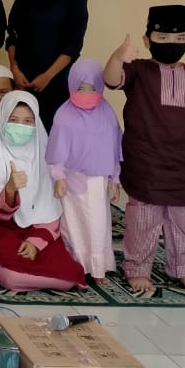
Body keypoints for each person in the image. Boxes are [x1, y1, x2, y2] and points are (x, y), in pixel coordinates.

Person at [106, 5, 185, 295]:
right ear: (147, 40)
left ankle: (183, 270)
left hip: (184, 165)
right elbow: (111, 80)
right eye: (163, 38)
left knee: (183, 222)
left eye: (180, 38)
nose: (172, 43)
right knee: (143, 220)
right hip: (146, 163)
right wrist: (117, 57)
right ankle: (138, 270)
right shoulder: (138, 71)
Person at [0, 91, 86, 291]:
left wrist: (35, 241)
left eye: (28, 121)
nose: (21, 126)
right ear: (2, 120)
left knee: (68, 275)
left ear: (37, 123)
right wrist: (10, 189)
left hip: (38, 226)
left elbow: (51, 206)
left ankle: (31, 274)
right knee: (11, 276)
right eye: (13, 120)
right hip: (2, 226)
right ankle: (0, 268)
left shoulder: (47, 156)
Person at [46, 60, 123, 285]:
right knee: (72, 225)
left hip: (98, 181)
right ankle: (76, 265)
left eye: (92, 89)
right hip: (70, 182)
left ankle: (98, 267)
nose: (87, 94)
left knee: (98, 223)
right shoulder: (64, 115)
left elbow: (114, 149)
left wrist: (115, 179)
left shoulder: (107, 115)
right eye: (81, 88)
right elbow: (57, 149)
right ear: (71, 85)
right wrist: (58, 177)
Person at [7, 0, 88, 128]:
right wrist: (15, 70)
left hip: (57, 80)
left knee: (53, 132)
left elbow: (73, 45)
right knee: (23, 130)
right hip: (23, 80)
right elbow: (12, 36)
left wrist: (47, 76)